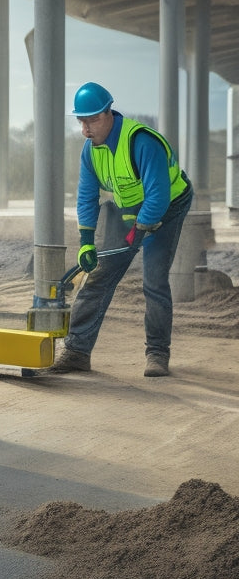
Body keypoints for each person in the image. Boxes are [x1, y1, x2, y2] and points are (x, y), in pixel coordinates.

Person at [51, 82, 193, 377]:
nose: (86, 130)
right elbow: (87, 197)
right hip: (128, 208)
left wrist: (141, 228)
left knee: (153, 280)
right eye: (81, 122)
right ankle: (77, 351)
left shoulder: (142, 142)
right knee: (98, 275)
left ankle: (157, 354)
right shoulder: (91, 152)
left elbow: (158, 195)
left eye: (92, 121)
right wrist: (87, 242)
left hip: (166, 207)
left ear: (108, 114)